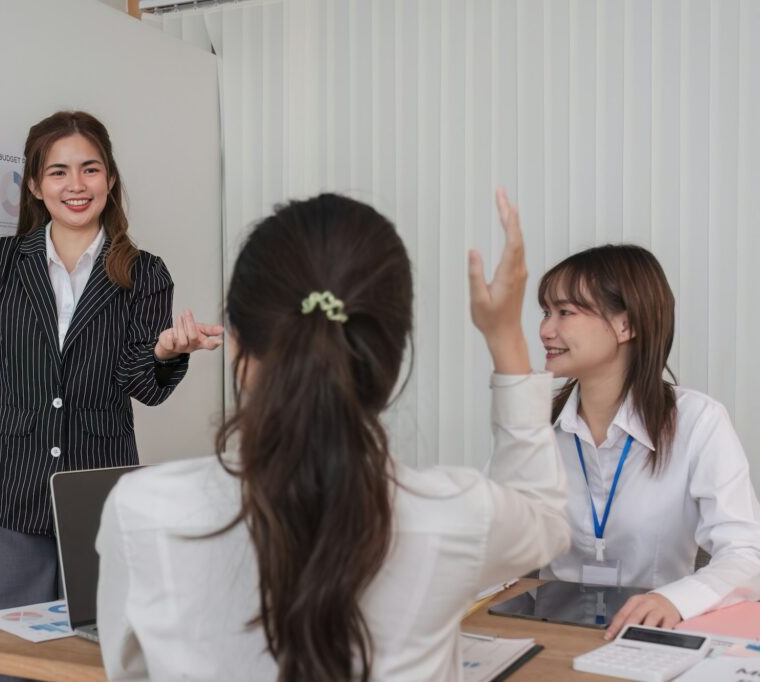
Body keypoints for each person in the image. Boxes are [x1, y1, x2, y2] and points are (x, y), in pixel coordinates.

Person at [95, 190, 571, 681]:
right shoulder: (455, 516)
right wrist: (506, 335)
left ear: (235, 341)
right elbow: (544, 517)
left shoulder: (143, 511)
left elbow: (131, 673)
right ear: (391, 357)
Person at [0, 111, 221, 681]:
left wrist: (168, 352)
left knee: (99, 665)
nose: (76, 185)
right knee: (1, 667)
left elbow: (140, 384)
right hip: (8, 500)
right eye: (59, 172)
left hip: (99, 502)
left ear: (110, 179)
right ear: (34, 184)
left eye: (90, 169)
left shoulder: (143, 274)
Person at [536, 244, 760, 639]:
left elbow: (746, 553)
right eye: (546, 312)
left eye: (565, 312)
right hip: (550, 631)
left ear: (626, 325)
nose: (545, 330)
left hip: (652, 634)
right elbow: (491, 534)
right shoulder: (536, 425)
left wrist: (676, 599)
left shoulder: (698, 422)